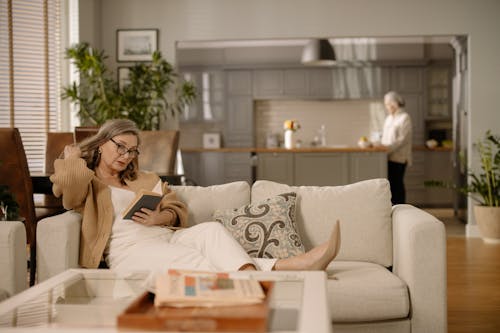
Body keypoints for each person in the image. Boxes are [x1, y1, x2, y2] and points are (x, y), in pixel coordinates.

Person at [50, 119, 341, 275]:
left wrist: (158, 217)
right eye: (121, 147)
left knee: (211, 232)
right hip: (129, 251)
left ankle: (261, 277)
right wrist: (73, 156)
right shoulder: (90, 183)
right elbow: (67, 193)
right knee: (192, 258)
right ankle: (283, 270)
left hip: (164, 235)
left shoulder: (144, 178)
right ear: (103, 142)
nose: (126, 156)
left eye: (132, 150)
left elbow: (174, 206)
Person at [380, 91, 413, 205]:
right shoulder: (389, 118)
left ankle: (401, 208)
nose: (387, 107)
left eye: (387, 104)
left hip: (399, 158)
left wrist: (387, 148)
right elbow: (385, 137)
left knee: (397, 184)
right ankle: (393, 207)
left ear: (394, 104)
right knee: (391, 185)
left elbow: (402, 139)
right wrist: (381, 146)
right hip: (388, 157)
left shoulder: (404, 118)